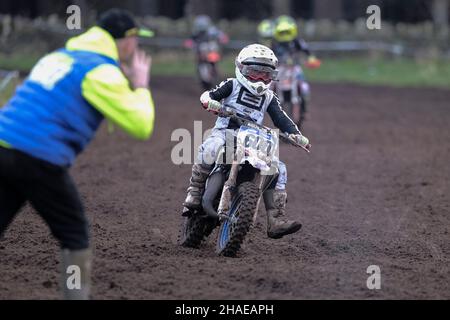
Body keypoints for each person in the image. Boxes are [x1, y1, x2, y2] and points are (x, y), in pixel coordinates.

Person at [0, 8, 155, 300]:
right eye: (137, 40)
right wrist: (141, 84)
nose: (138, 48)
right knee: (74, 234)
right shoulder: (102, 71)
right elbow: (141, 125)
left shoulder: (59, 56)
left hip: (3, 141)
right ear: (125, 40)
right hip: (37, 154)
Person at [182, 44, 311, 239]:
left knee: (278, 168)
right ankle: (195, 191)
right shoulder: (232, 85)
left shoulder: (268, 97)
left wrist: (295, 134)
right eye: (254, 73)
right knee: (210, 147)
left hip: (253, 139)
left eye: (265, 75)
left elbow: (281, 119)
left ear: (272, 76)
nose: (260, 79)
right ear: (242, 69)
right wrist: (211, 102)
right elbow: (209, 95)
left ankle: (275, 218)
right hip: (225, 132)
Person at [271, 15, 321, 130]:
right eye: (282, 32)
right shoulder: (274, 43)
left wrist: (311, 58)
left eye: (287, 32)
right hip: (279, 69)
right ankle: (262, 108)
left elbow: (307, 51)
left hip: (295, 68)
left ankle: (305, 111)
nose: (284, 35)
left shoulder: (297, 41)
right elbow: (267, 54)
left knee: (304, 87)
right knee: (268, 87)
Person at [184, 15, 229, 90]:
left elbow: (223, 37)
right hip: (201, 54)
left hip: (212, 53)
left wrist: (222, 40)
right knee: (200, 65)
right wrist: (189, 44)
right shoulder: (196, 33)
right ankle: (204, 78)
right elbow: (189, 41)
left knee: (214, 62)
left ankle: (214, 73)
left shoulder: (213, 31)